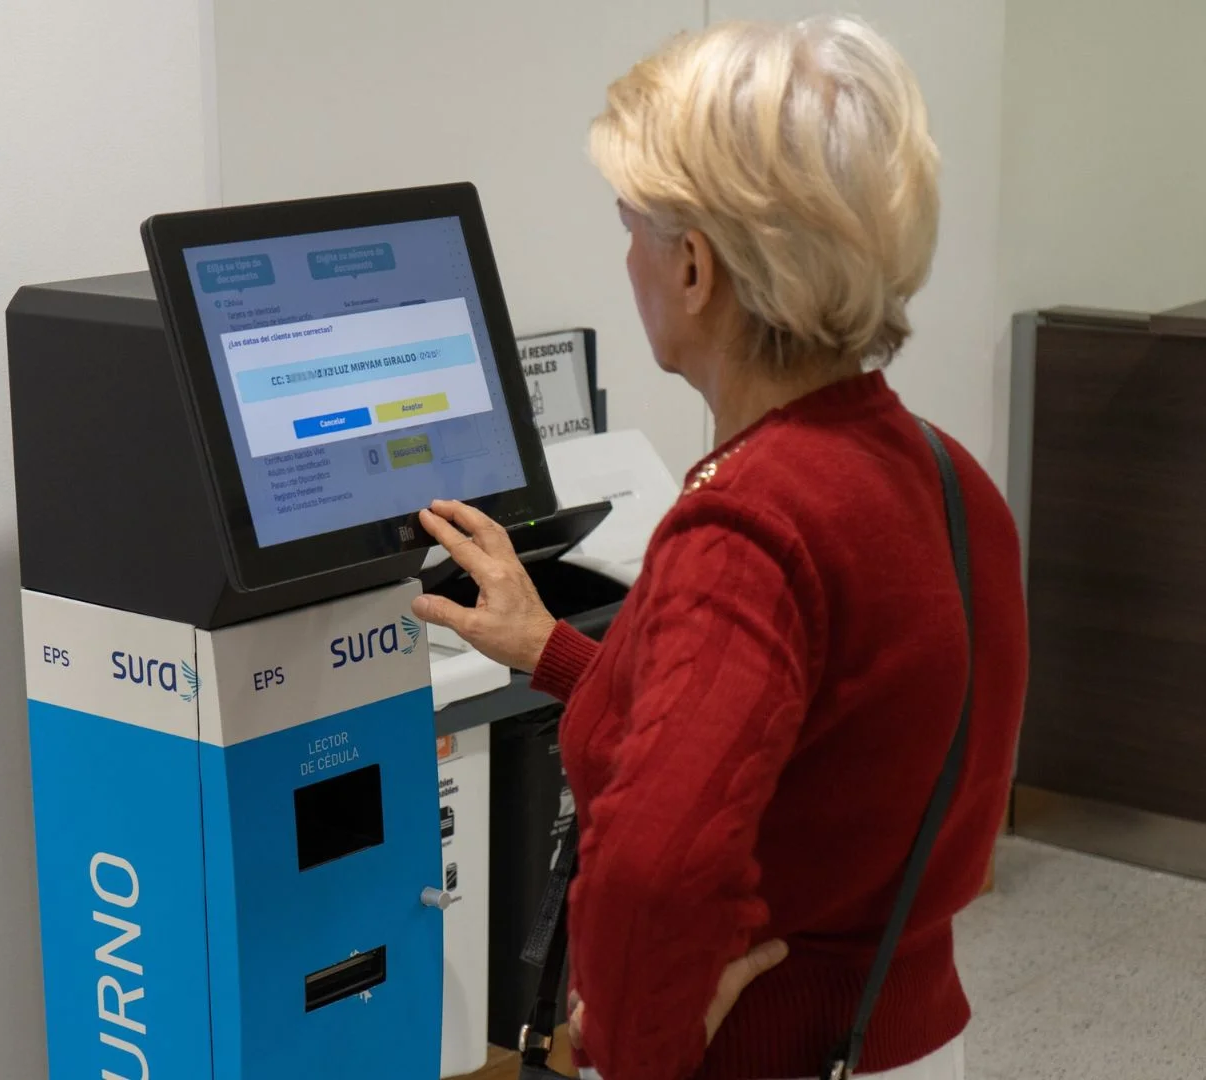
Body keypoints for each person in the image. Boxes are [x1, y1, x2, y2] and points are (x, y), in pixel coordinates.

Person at [411, 15, 1028, 1080]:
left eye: (630, 227)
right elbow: (786, 748)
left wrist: (634, 1045)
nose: (625, 260)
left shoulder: (748, 524)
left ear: (693, 267)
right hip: (906, 1036)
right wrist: (551, 650)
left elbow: (654, 867)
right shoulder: (941, 475)